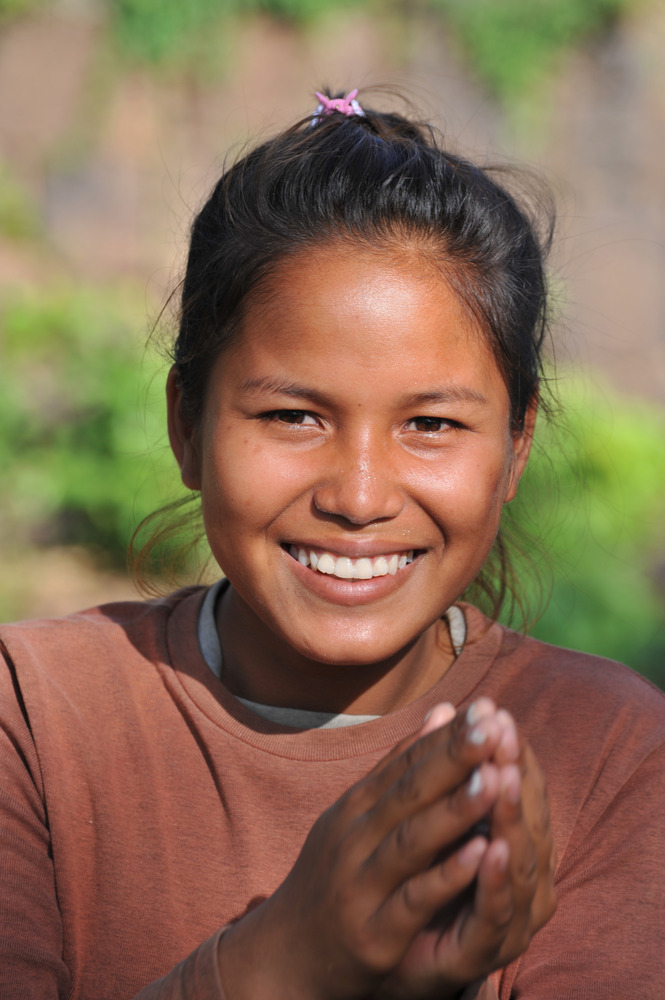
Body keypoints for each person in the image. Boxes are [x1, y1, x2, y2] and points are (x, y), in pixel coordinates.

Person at [1, 87, 663, 1000]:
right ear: (185, 425)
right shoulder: (36, 719)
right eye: (291, 415)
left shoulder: (608, 757)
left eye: (430, 425)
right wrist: (283, 963)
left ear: (514, 448)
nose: (357, 496)